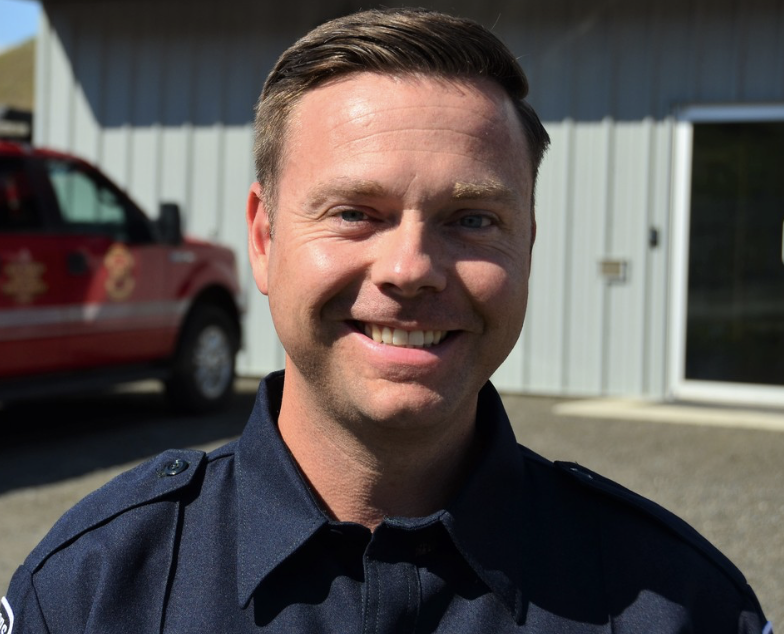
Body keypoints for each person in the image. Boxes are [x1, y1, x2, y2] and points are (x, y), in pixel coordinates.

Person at [1, 7, 771, 633]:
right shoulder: (91, 592)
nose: (410, 268)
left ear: (528, 246)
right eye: (354, 213)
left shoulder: (679, 604)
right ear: (264, 240)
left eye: (471, 219)